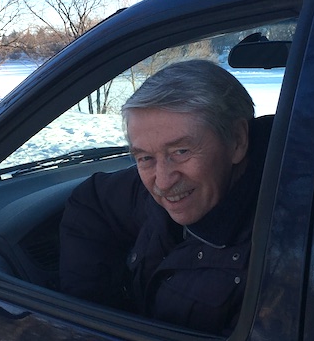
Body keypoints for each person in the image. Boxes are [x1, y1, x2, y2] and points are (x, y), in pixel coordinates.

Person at [59, 59, 273, 335]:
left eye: (181, 152)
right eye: (145, 157)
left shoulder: (283, 243)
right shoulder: (163, 188)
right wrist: (91, 316)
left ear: (237, 141)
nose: (162, 181)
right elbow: (91, 201)